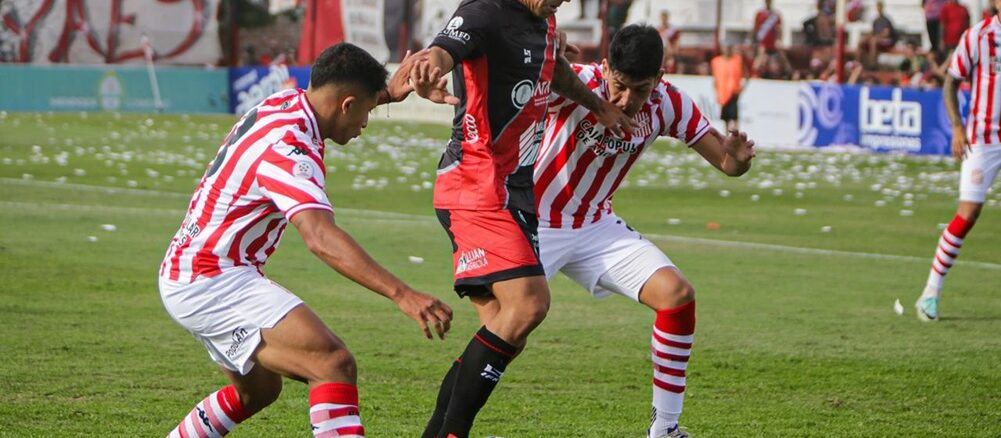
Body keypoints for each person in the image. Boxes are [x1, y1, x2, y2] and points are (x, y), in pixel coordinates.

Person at [158, 43, 454, 438]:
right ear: (347, 104)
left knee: (257, 392)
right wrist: (403, 294)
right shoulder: (289, 148)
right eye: (367, 110)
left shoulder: (287, 103)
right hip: (213, 280)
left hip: (192, 269)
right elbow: (319, 237)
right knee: (333, 363)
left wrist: (385, 95)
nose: (366, 122)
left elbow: (342, 98)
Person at [408, 1, 637, 437]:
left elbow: (554, 69)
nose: (562, 0)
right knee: (529, 304)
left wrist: (598, 105)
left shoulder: (542, 19)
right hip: (476, 183)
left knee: (505, 329)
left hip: (514, 190)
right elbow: (441, 51)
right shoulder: (484, 11)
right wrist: (427, 71)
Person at [534, 24, 755, 438]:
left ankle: (665, 429)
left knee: (677, 296)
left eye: (641, 89)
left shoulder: (668, 103)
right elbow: (520, 87)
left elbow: (726, 162)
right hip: (537, 222)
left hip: (596, 226)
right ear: (605, 68)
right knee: (509, 325)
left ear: (659, 77)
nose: (627, 100)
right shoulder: (576, 83)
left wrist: (739, 160)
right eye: (619, 87)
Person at [916, 1, 1001, 321]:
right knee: (968, 214)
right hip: (983, 139)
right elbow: (951, 82)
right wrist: (956, 127)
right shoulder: (978, 36)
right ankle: (930, 293)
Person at [711, 44, 745, 131]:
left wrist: (741, 88)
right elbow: (716, 78)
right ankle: (726, 136)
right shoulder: (716, 61)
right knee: (725, 118)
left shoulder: (737, 60)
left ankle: (737, 137)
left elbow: (744, 73)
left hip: (733, 92)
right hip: (723, 93)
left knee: (734, 117)